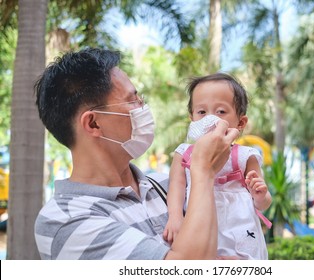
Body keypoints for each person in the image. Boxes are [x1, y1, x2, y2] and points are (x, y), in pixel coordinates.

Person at [33, 48, 239, 260]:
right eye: (132, 100)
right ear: (93, 123)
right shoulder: (65, 220)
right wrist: (204, 170)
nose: (143, 106)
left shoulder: (165, 186)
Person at [163, 73, 272, 260]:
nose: (210, 119)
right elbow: (176, 186)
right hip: (199, 225)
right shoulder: (184, 153)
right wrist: (175, 218)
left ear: (241, 122)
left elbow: (263, 203)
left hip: (241, 228)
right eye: (202, 112)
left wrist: (260, 195)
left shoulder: (245, 156)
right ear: (192, 119)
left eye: (221, 112)